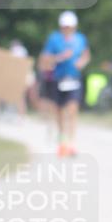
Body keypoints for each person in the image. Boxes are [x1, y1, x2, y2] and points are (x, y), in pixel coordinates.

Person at [41, 10, 91, 156]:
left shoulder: (81, 39)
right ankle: (62, 139)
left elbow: (86, 55)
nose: (67, 29)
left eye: (70, 26)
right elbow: (45, 59)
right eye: (65, 26)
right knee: (59, 111)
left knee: (72, 110)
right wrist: (60, 57)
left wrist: (81, 63)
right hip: (58, 79)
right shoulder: (54, 39)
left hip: (74, 79)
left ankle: (71, 143)